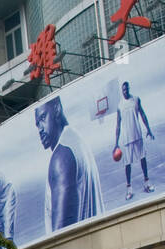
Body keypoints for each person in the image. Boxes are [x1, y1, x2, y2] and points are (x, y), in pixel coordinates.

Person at [35, 96, 101, 232]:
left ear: (57, 109)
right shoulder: (76, 140)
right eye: (37, 124)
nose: (40, 129)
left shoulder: (61, 157)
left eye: (43, 118)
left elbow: (61, 236)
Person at [113, 81, 155, 202]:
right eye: (123, 90)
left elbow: (142, 114)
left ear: (129, 89)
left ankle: (147, 183)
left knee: (143, 159)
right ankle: (129, 189)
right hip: (126, 139)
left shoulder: (136, 99)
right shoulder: (120, 105)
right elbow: (118, 126)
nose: (125, 92)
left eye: (126, 89)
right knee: (127, 165)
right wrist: (116, 143)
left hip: (137, 135)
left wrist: (148, 129)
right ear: (122, 92)